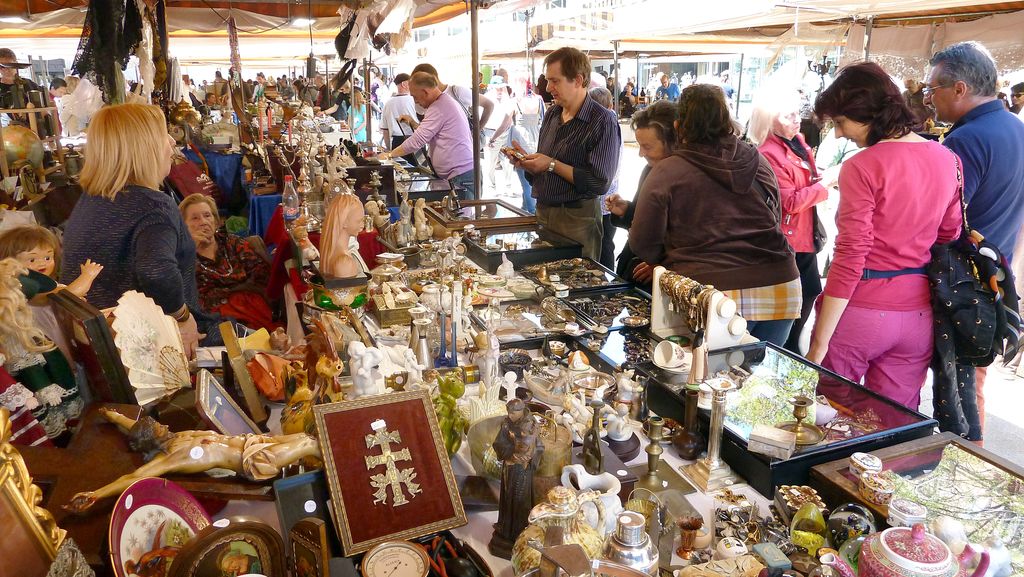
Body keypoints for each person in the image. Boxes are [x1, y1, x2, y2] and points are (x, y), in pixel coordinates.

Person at [806, 61, 963, 409]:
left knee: (830, 420)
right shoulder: (947, 158)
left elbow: (849, 256)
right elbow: (950, 233)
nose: (839, 133)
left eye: (840, 122)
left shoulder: (861, 166)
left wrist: (818, 344)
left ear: (866, 113)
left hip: (862, 310)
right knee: (891, 424)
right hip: (918, 313)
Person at [628, 84, 801, 346]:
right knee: (759, 379)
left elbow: (642, 241)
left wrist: (665, 258)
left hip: (711, 291)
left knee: (706, 379)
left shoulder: (667, 171)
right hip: (779, 285)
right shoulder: (757, 159)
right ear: (726, 120)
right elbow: (774, 213)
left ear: (679, 127)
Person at [924, 42, 1024, 439]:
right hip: (994, 280)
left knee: (957, 394)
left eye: (933, 89)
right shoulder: (1016, 129)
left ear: (960, 88)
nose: (929, 97)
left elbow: (943, 222)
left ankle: (960, 468)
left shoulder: (964, 142)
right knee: (970, 385)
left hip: (960, 283)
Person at [61, 103, 215, 359]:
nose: (170, 141)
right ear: (144, 148)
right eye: (162, 134)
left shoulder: (91, 199)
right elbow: (156, 271)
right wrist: (183, 317)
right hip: (150, 348)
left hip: (102, 347)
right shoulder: (152, 205)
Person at [65, 408, 320, 512]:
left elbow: (137, 427)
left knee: (304, 435)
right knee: (309, 444)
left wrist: (115, 417)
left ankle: (327, 446)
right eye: (155, 428)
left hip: (252, 442)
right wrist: (97, 494)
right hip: (250, 461)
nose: (160, 425)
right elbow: (135, 477)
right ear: (153, 440)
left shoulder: (177, 435)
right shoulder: (170, 458)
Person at [749, 89, 840, 354]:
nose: (797, 120)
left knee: (808, 292)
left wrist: (822, 179)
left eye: (797, 113)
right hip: (789, 239)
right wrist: (827, 183)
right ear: (769, 119)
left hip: (803, 234)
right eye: (788, 115)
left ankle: (789, 348)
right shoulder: (769, 153)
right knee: (798, 297)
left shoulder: (794, 141)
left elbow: (804, 181)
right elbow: (789, 202)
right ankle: (787, 350)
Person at [512, 47, 620, 263]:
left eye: (555, 81)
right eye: (547, 80)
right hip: (544, 212)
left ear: (578, 80)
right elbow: (544, 165)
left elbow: (599, 183)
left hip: (576, 218)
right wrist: (528, 163)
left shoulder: (602, 120)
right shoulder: (552, 113)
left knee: (575, 286)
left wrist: (551, 164)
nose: (549, 87)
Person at [178, 194, 277, 332]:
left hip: (252, 312)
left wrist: (237, 296)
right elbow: (184, 296)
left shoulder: (233, 243)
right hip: (213, 325)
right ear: (183, 226)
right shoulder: (182, 257)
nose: (203, 222)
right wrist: (190, 251)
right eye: (195, 218)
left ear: (216, 220)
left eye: (207, 215)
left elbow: (263, 276)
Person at [605, 100, 677, 287]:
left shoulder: (688, 180)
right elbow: (643, 220)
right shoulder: (649, 170)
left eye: (647, 147)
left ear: (673, 142)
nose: (640, 153)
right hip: (634, 270)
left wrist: (663, 266)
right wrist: (626, 210)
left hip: (661, 282)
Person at [379, 72, 476, 198]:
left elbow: (417, 140)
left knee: (460, 216)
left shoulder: (440, 107)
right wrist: (413, 123)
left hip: (461, 176)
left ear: (425, 92)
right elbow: (432, 133)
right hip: (456, 175)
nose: (415, 101)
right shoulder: (442, 103)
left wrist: (390, 155)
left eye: (414, 96)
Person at [411, 63, 494, 138]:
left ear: (433, 78)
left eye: (419, 81)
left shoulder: (457, 92)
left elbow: (489, 105)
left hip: (462, 147)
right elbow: (426, 130)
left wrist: (476, 131)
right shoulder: (420, 100)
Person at [588, 86, 620, 271]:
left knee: (604, 245)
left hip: (604, 200)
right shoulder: (611, 122)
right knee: (606, 243)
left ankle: (607, 286)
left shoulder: (608, 124)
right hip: (608, 198)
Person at [380, 73, 420, 166]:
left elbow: (385, 130)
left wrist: (389, 148)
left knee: (400, 171)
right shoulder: (414, 101)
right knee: (418, 171)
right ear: (404, 84)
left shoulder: (388, 103)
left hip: (397, 142)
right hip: (415, 140)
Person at [0, 48, 42, 126]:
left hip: (34, 131)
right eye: (2, 66)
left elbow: (44, 110)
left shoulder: (29, 84)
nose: (6, 70)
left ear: (16, 64)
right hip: (6, 133)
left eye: (9, 65)